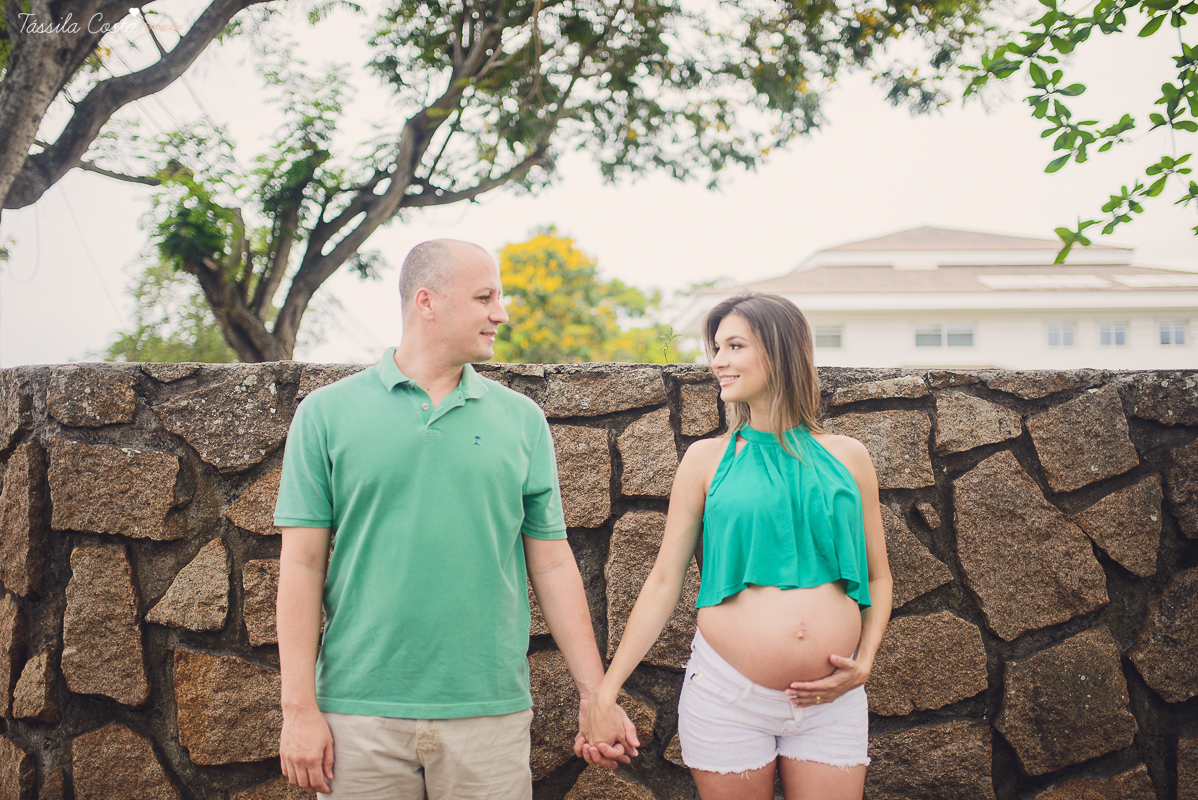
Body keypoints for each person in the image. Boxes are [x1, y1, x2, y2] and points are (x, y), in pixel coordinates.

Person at [274, 239, 638, 799]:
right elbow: (300, 565)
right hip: (357, 715)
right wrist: (299, 710)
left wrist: (595, 696)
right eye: (484, 296)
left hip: (488, 715)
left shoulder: (522, 420)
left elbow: (553, 563)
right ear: (427, 302)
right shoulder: (325, 414)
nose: (501, 313)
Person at [582, 293, 892, 800]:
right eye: (716, 348)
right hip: (729, 697)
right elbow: (664, 581)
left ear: (780, 350)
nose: (718, 361)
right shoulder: (706, 460)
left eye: (734, 346)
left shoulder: (849, 457)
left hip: (830, 702)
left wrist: (866, 662)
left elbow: (877, 577)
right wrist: (605, 692)